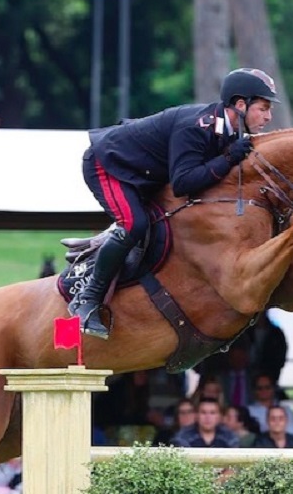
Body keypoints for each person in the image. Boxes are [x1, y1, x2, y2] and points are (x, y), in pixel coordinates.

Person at [69, 68, 279, 339]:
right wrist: (228, 159)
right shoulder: (196, 126)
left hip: (144, 172)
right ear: (240, 105)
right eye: (263, 108)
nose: (268, 117)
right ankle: (87, 301)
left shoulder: (230, 132)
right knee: (135, 224)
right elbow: (183, 183)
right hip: (109, 165)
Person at [171, 397, 239, 448]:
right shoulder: (183, 436)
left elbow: (235, 463)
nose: (208, 417)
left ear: (219, 417)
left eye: (212, 413)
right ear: (196, 415)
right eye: (203, 412)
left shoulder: (229, 436)